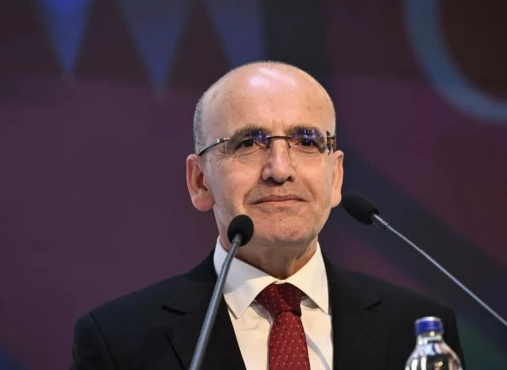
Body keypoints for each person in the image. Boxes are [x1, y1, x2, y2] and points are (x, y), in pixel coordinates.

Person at [69, 61, 465, 370]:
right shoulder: (122, 342)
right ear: (200, 181)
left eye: (306, 141)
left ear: (335, 177)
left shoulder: (418, 329)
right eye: (248, 143)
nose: (279, 169)